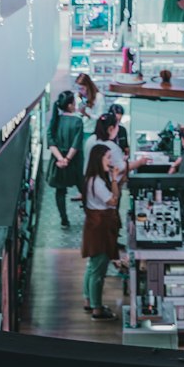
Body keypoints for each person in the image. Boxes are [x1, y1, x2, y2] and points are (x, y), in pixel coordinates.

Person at [81, 140, 121, 319]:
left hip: (94, 227)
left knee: (92, 266)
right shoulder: (98, 182)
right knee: (99, 269)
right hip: (101, 229)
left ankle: (89, 300)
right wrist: (114, 179)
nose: (110, 161)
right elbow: (113, 201)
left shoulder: (90, 179)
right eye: (108, 157)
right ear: (99, 159)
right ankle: (97, 308)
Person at [45, 89, 83, 229]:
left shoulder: (55, 121)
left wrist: (60, 159)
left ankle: (64, 220)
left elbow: (51, 142)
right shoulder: (77, 121)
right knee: (83, 188)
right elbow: (76, 144)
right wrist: (67, 159)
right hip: (74, 162)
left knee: (60, 191)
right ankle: (90, 215)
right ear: (70, 105)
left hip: (57, 162)